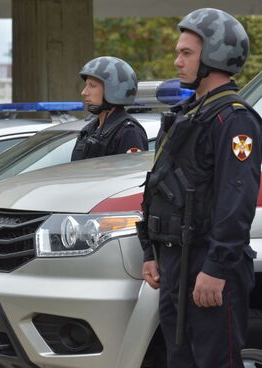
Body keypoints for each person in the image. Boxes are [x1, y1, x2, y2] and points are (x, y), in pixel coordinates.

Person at [138, 8, 261, 367]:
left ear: (216, 56)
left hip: (208, 263)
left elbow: (235, 200)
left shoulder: (233, 119)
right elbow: (157, 187)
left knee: (214, 361)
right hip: (176, 261)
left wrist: (217, 269)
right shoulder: (186, 115)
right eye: (178, 52)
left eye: (186, 53)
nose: (177, 61)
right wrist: (151, 252)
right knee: (180, 360)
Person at [71, 56, 148, 161]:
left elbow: (130, 175)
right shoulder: (89, 130)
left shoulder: (129, 132)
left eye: (92, 85)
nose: (84, 92)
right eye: (86, 85)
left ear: (114, 89)